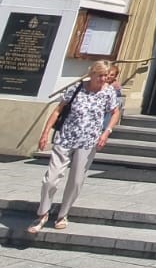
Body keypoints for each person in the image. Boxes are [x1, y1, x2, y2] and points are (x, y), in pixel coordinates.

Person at [27, 62, 121, 233]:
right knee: (50, 178)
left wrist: (106, 132)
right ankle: (42, 213)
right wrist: (45, 133)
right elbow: (58, 110)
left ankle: (63, 214)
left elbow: (115, 112)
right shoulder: (76, 88)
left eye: (106, 75)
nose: (104, 79)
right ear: (91, 74)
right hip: (65, 138)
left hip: (88, 141)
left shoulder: (108, 92)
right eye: (100, 75)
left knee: (76, 181)